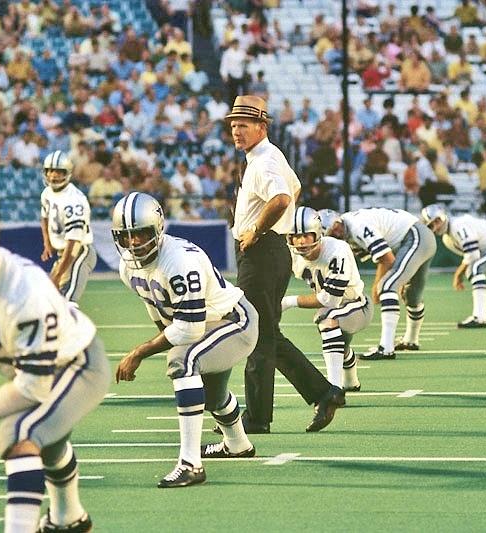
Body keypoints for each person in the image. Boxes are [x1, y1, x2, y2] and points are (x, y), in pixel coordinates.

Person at [0, 192, 109, 533]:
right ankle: (69, 519)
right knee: (47, 440)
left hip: (77, 365)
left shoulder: (25, 291)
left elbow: (32, 386)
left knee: (18, 433)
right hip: (34, 368)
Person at [112, 192, 257, 488]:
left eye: (140, 234)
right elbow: (159, 310)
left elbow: (189, 329)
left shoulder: (178, 261)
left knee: (182, 360)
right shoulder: (128, 268)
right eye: (126, 236)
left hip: (235, 320)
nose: (134, 243)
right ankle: (237, 445)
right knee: (213, 396)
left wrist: (140, 352)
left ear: (157, 229)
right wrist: (162, 338)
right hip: (208, 323)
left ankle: (190, 464)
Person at [227, 95, 341, 434]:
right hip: (271, 250)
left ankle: (257, 418)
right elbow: (296, 186)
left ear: (261, 127)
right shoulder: (269, 155)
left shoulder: (262, 161)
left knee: (256, 336)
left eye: (243, 125)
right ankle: (324, 392)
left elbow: (281, 198)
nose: (236, 131)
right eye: (233, 125)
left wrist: (257, 230)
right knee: (267, 334)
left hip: (261, 250)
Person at [281, 207, 371, 394]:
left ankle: (333, 389)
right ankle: (350, 380)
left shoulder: (337, 250)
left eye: (306, 235)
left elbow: (330, 299)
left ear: (318, 233)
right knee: (338, 340)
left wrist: (288, 302)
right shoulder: (291, 255)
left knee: (327, 319)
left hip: (357, 305)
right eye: (295, 236)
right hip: (336, 308)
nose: (301, 241)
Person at [328, 207, 436, 359]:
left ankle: (386, 348)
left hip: (415, 237)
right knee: (412, 295)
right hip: (420, 237)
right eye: (332, 232)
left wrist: (376, 287)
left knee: (387, 287)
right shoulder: (349, 227)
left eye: (336, 227)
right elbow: (381, 257)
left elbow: (387, 258)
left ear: (339, 220)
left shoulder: (357, 226)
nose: (337, 232)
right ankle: (411, 340)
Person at [421, 204, 486, 327]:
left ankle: (479, 317)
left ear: (443, 216)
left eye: (438, 220)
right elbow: (475, 254)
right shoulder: (447, 239)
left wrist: (458, 274)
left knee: (474, 269)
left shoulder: (458, 225)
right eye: (432, 225)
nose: (436, 226)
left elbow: (472, 256)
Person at [40, 150, 97, 303]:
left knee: (67, 301)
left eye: (59, 172)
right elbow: (44, 217)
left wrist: (58, 275)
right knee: (49, 300)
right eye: (50, 171)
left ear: (67, 173)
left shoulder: (74, 201)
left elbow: (73, 245)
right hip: (62, 254)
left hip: (79, 253)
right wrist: (47, 243)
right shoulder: (47, 193)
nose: (53, 175)